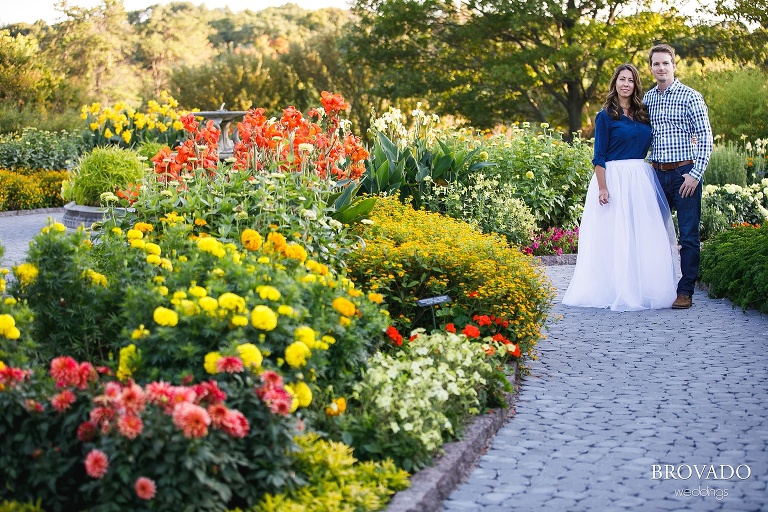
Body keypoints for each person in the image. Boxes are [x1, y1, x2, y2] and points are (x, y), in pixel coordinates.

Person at [562, 63, 678, 311]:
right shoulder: (605, 116)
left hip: (640, 178)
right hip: (614, 178)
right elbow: (599, 156)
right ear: (615, 83)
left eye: (631, 80)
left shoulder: (643, 113)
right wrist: (603, 188)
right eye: (622, 79)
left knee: (641, 234)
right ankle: (615, 289)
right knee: (615, 235)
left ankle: (642, 287)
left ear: (636, 84)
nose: (626, 84)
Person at [643, 43, 713, 309]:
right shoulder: (648, 99)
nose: (661, 68)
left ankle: (685, 291)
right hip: (657, 175)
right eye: (656, 64)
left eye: (665, 63)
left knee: (688, 235)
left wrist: (695, 174)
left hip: (685, 174)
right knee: (654, 233)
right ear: (651, 68)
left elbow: (705, 137)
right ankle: (657, 286)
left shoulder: (690, 96)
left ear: (674, 65)